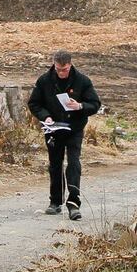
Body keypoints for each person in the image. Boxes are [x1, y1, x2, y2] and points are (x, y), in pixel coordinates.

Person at [27, 50, 100, 220]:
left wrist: (80, 106)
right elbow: (34, 103)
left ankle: (73, 204)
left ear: (70, 65)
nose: (61, 73)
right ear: (54, 65)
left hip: (74, 129)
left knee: (73, 164)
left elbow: (95, 103)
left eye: (65, 69)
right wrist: (46, 116)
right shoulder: (44, 80)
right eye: (58, 69)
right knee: (55, 164)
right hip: (53, 129)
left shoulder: (82, 81)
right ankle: (55, 202)